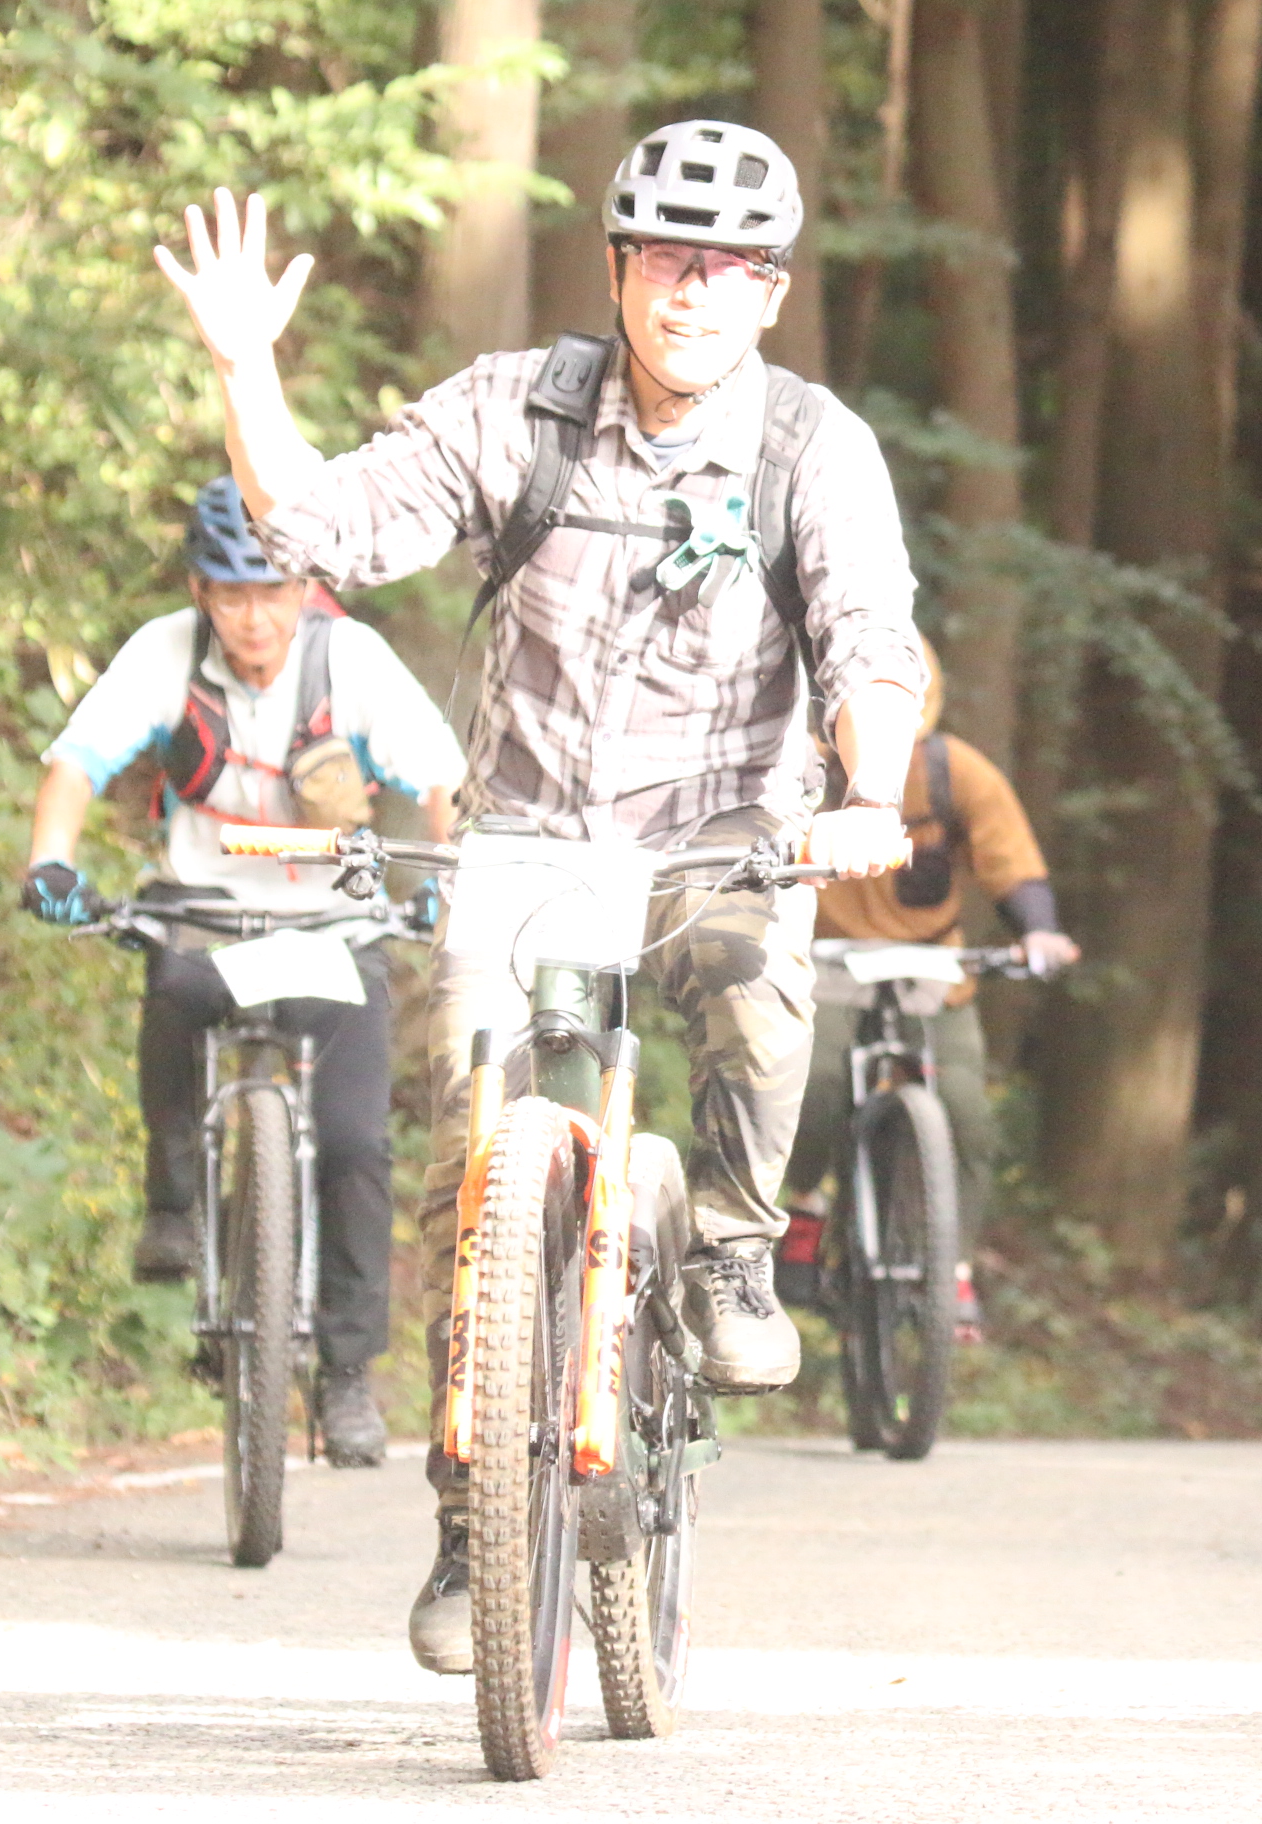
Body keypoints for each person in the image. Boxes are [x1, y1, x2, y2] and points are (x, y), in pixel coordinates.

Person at [154, 124, 929, 1670]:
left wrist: (869, 796)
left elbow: (869, 637)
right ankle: (474, 1519)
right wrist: (246, 373)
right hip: (525, 828)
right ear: (621, 270)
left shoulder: (811, 447)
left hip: (722, 830)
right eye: (665, 259)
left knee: (757, 975)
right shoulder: (520, 408)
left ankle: (728, 1247)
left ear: (771, 291)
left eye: (728, 267)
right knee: (469, 1155)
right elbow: (323, 529)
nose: (692, 291)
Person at [22, 479, 466, 1466]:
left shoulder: (350, 659)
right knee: (173, 987)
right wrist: (51, 863)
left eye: (272, 592)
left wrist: (449, 874)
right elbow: (76, 764)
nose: (254, 617)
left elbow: (443, 780)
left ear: (306, 587)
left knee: (353, 1144)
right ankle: (174, 1201)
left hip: (334, 925)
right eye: (230, 593)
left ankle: (346, 1375)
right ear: (200, 591)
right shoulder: (167, 652)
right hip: (205, 915)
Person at [778, 639, 1079, 1333]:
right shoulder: (804, 769)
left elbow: (1011, 863)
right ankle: (805, 1206)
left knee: (967, 1111)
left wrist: (1039, 931)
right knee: (816, 1085)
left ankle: (953, 1264)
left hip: (930, 970)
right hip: (827, 965)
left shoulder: (954, 772)